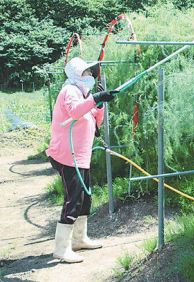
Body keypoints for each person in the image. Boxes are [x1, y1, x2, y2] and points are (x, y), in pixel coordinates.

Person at [46, 57, 117, 263]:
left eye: (91, 73)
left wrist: (100, 104)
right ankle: (61, 248)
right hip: (67, 156)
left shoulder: (82, 92)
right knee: (73, 198)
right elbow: (76, 111)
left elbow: (96, 121)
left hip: (81, 156)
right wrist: (95, 98)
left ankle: (79, 239)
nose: (91, 76)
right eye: (87, 73)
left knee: (85, 198)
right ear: (77, 74)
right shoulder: (69, 91)